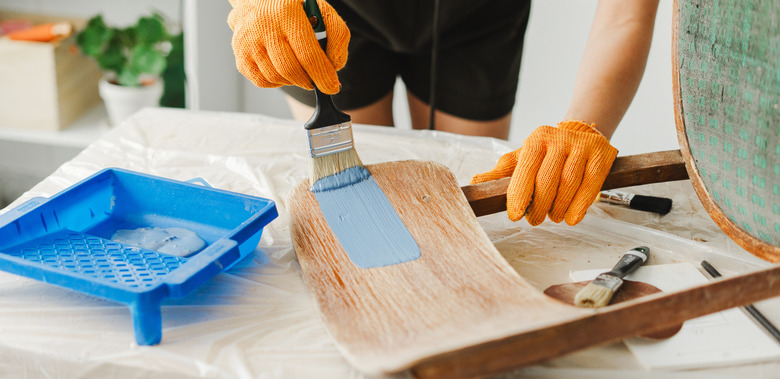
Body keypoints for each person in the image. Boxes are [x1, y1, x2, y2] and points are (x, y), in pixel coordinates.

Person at [227, 0, 660, 226]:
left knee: (461, 177)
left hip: (478, 16)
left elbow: (625, 16)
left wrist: (587, 123)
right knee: (358, 197)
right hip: (327, 13)